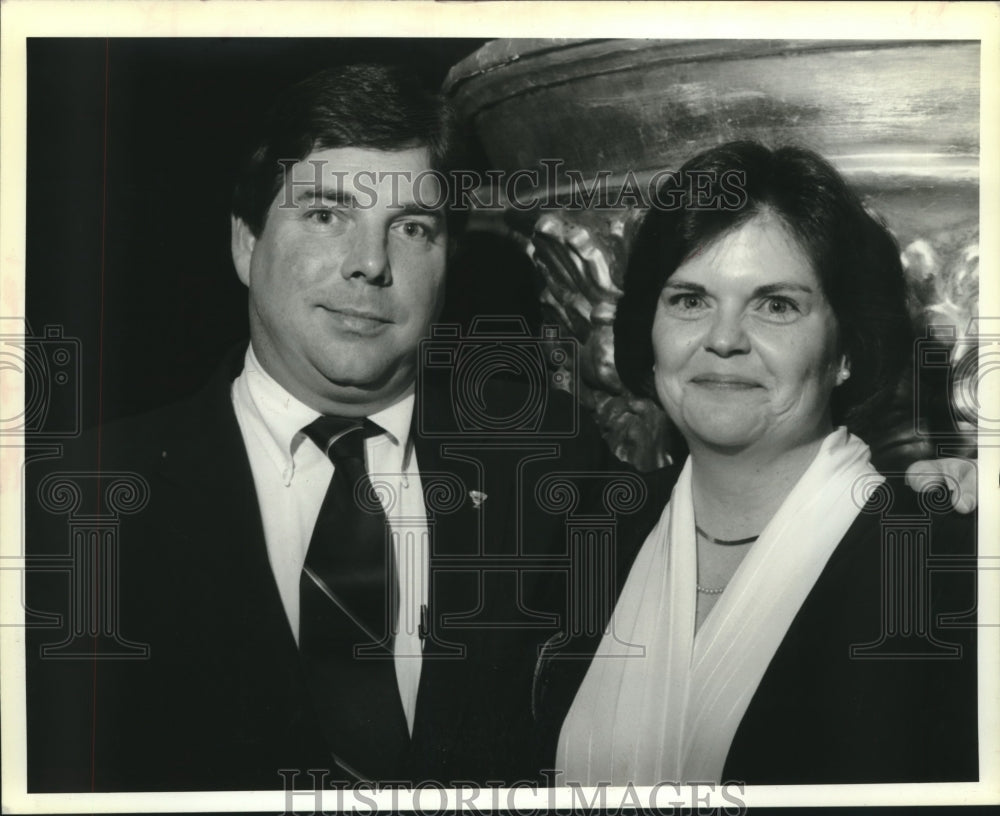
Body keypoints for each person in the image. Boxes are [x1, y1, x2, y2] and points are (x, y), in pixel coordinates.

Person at [24, 69, 974, 792]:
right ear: (244, 243)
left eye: (415, 228)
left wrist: (945, 483)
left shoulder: (557, 481)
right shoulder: (74, 503)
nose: (369, 265)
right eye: (327, 213)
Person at [531, 141, 978, 786]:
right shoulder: (588, 535)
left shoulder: (945, 563)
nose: (723, 338)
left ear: (847, 348)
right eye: (689, 299)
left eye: (776, 305)